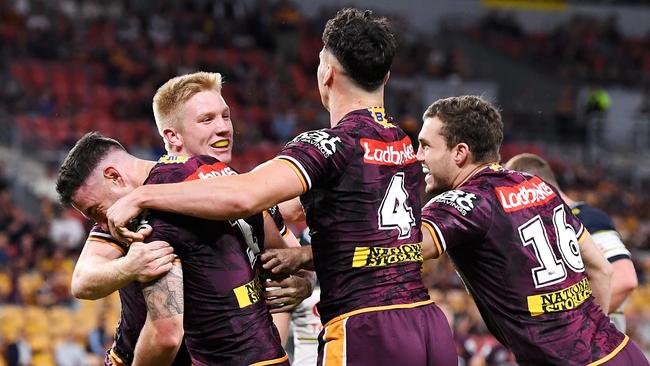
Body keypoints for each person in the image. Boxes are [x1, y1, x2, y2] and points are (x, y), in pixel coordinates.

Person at [106, 8, 457, 366]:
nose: (223, 127)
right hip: (427, 322)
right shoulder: (404, 144)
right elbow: (370, 242)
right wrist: (303, 259)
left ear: (326, 74)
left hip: (366, 327)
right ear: (386, 75)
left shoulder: (328, 145)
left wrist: (141, 194)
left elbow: (242, 197)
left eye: (224, 116)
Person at [58, 72, 312, 365]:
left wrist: (303, 284)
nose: (223, 128)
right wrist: (128, 267)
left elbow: (289, 260)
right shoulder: (128, 212)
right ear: (172, 135)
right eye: (207, 120)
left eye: (225, 116)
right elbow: (82, 282)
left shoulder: (236, 192)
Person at [416, 95, 648, 365]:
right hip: (624, 353)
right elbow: (601, 269)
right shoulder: (539, 186)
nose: (417, 155)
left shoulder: (468, 201)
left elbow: (403, 247)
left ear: (460, 152)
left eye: (425, 146)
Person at [504, 153, 638, 332]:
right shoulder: (546, 224)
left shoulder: (586, 218)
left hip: (594, 349)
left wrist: (572, 330)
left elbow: (624, 279)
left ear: (533, 186)